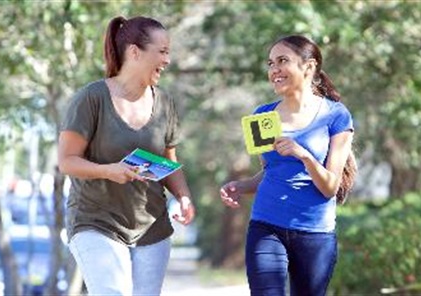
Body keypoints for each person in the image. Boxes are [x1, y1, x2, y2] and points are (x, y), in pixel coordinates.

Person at [58, 15, 195, 296]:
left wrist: (183, 196)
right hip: (95, 222)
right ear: (134, 52)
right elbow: (66, 161)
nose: (168, 60)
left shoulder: (164, 102)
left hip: (152, 228)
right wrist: (110, 170)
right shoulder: (91, 98)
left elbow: (169, 161)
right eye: (163, 51)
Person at [220, 35, 357, 296]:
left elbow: (330, 187)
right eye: (271, 63)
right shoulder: (262, 115)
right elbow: (272, 172)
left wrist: (303, 155)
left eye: (283, 61)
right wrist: (242, 185)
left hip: (315, 233)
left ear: (309, 67)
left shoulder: (336, 115)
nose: (274, 70)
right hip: (266, 224)